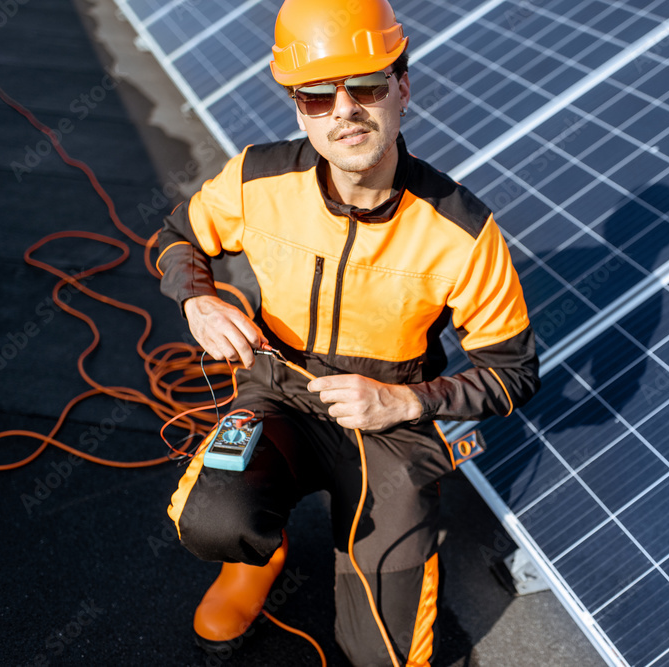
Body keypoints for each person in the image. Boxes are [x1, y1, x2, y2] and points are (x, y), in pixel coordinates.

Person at [155, 0, 539, 663]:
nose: (343, 110)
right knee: (212, 514)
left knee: (384, 657)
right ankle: (256, 554)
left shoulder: (463, 230)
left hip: (389, 426)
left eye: (365, 86)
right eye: (316, 95)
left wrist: (408, 402)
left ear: (402, 87)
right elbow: (177, 234)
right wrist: (196, 299)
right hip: (278, 393)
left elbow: (513, 373)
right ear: (297, 103)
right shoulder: (257, 176)